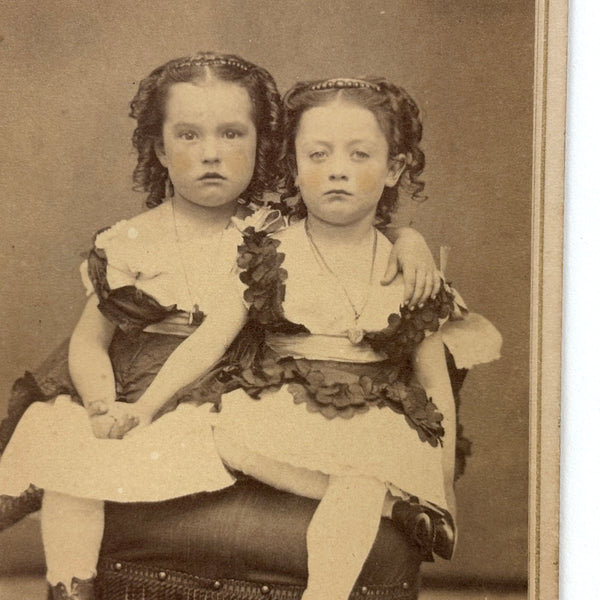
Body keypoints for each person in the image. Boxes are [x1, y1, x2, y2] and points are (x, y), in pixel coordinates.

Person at [0, 55, 438, 600]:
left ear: (263, 146)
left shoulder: (278, 227)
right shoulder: (133, 239)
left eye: (232, 134)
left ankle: (387, 504)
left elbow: (357, 231)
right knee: (71, 452)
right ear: (160, 150)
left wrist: (410, 242)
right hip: (132, 385)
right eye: (188, 135)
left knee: (229, 436)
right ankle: (71, 584)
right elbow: (90, 340)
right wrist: (99, 403)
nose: (211, 153)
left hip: (219, 385)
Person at [206, 77, 504, 600]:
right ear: (293, 166)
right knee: (225, 436)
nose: (337, 169)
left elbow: (435, 382)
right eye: (317, 154)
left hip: (376, 419)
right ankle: (397, 508)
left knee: (363, 473)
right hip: (290, 405)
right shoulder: (271, 244)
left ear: (394, 169)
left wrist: (443, 488)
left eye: (360, 154)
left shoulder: (407, 268)